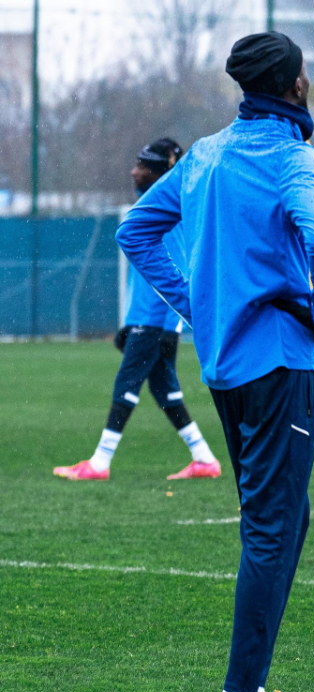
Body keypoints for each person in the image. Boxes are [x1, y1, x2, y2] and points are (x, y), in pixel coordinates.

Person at [116, 31, 314, 692]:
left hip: (226, 365)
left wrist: (197, 303)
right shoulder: (291, 157)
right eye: (306, 73)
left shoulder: (206, 155)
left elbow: (137, 232)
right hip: (279, 358)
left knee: (284, 518)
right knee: (274, 527)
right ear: (294, 85)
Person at [53, 139, 221, 482]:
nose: (134, 171)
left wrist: (152, 322)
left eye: (142, 165)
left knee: (126, 382)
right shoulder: (163, 205)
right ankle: (203, 458)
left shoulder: (165, 211)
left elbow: (172, 270)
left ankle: (99, 462)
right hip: (153, 317)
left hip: (155, 316)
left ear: (161, 171)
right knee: (164, 389)